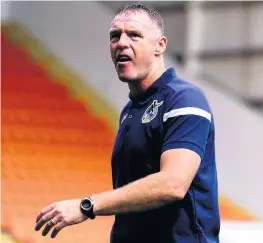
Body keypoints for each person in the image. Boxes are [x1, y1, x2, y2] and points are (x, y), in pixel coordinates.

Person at [34, 3, 220, 243]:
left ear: (159, 45)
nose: (121, 42)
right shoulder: (130, 110)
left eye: (134, 35)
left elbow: (173, 183)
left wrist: (87, 206)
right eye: (115, 36)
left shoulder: (184, 99)